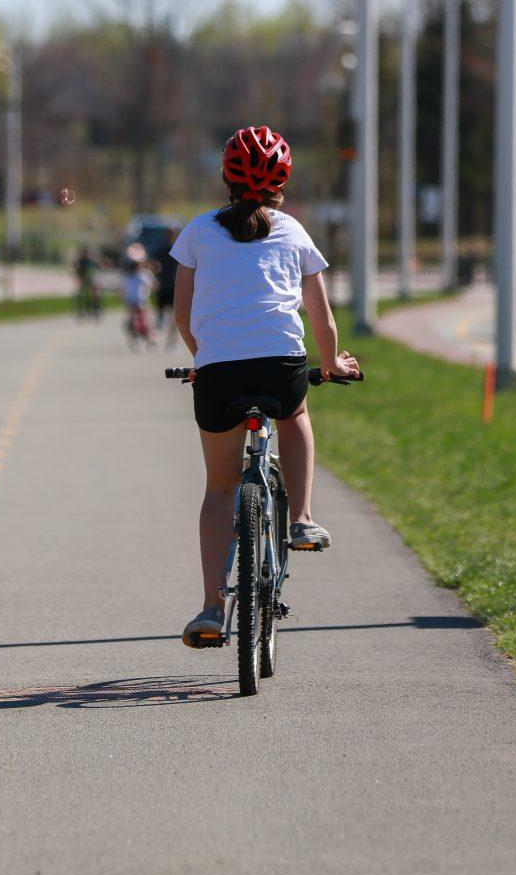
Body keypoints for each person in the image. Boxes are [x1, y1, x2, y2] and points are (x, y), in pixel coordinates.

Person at [169, 125, 361, 648]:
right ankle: (301, 519)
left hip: (218, 373)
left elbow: (183, 313)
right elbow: (320, 316)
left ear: (225, 177)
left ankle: (212, 608)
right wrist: (332, 363)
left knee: (219, 488)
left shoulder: (198, 231)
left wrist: (203, 358)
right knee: (295, 415)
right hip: (281, 365)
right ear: (282, 184)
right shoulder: (293, 232)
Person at [122, 243, 155, 346]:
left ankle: (147, 335)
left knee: (144, 318)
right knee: (136, 319)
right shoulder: (130, 276)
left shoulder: (144, 274)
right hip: (134, 300)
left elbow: (152, 285)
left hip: (141, 300)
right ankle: (137, 335)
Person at [151, 236, 179, 349]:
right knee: (174, 317)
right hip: (174, 287)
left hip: (162, 287)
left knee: (160, 316)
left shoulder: (159, 251)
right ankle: (171, 342)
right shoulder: (179, 250)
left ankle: (156, 339)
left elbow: (154, 266)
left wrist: (155, 278)